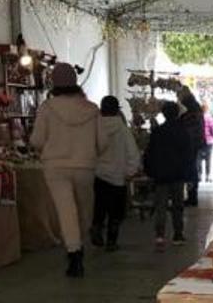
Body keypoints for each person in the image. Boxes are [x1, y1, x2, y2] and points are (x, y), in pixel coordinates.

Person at [30, 62, 105, 278]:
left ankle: (74, 254)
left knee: (65, 210)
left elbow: (37, 139)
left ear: (53, 83)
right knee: (84, 208)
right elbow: (103, 141)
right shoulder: (92, 109)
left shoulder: (47, 108)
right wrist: (92, 152)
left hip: (55, 166)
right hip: (85, 165)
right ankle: (79, 242)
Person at [90, 96, 140, 251]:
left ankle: (96, 227)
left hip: (98, 175)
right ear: (117, 110)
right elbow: (133, 153)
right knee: (116, 213)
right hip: (118, 177)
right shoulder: (123, 130)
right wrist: (130, 171)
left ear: (101, 110)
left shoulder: (94, 129)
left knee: (99, 206)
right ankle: (111, 242)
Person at [143, 101, 191, 250]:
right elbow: (189, 155)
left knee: (161, 206)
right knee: (178, 206)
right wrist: (189, 175)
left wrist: (150, 171)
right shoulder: (183, 132)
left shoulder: (157, 132)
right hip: (178, 174)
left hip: (161, 175)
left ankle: (160, 236)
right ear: (177, 114)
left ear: (163, 114)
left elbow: (149, 153)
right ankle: (178, 234)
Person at [179, 89, 204, 206]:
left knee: (190, 171)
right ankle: (192, 195)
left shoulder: (190, 114)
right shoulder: (196, 111)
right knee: (193, 171)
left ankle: (192, 196)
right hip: (195, 145)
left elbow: (187, 129)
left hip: (190, 146)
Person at [201, 102, 213, 182]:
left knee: (198, 159)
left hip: (200, 141)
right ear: (207, 109)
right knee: (208, 159)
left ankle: (199, 175)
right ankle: (207, 176)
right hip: (209, 142)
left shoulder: (198, 117)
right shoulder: (209, 118)